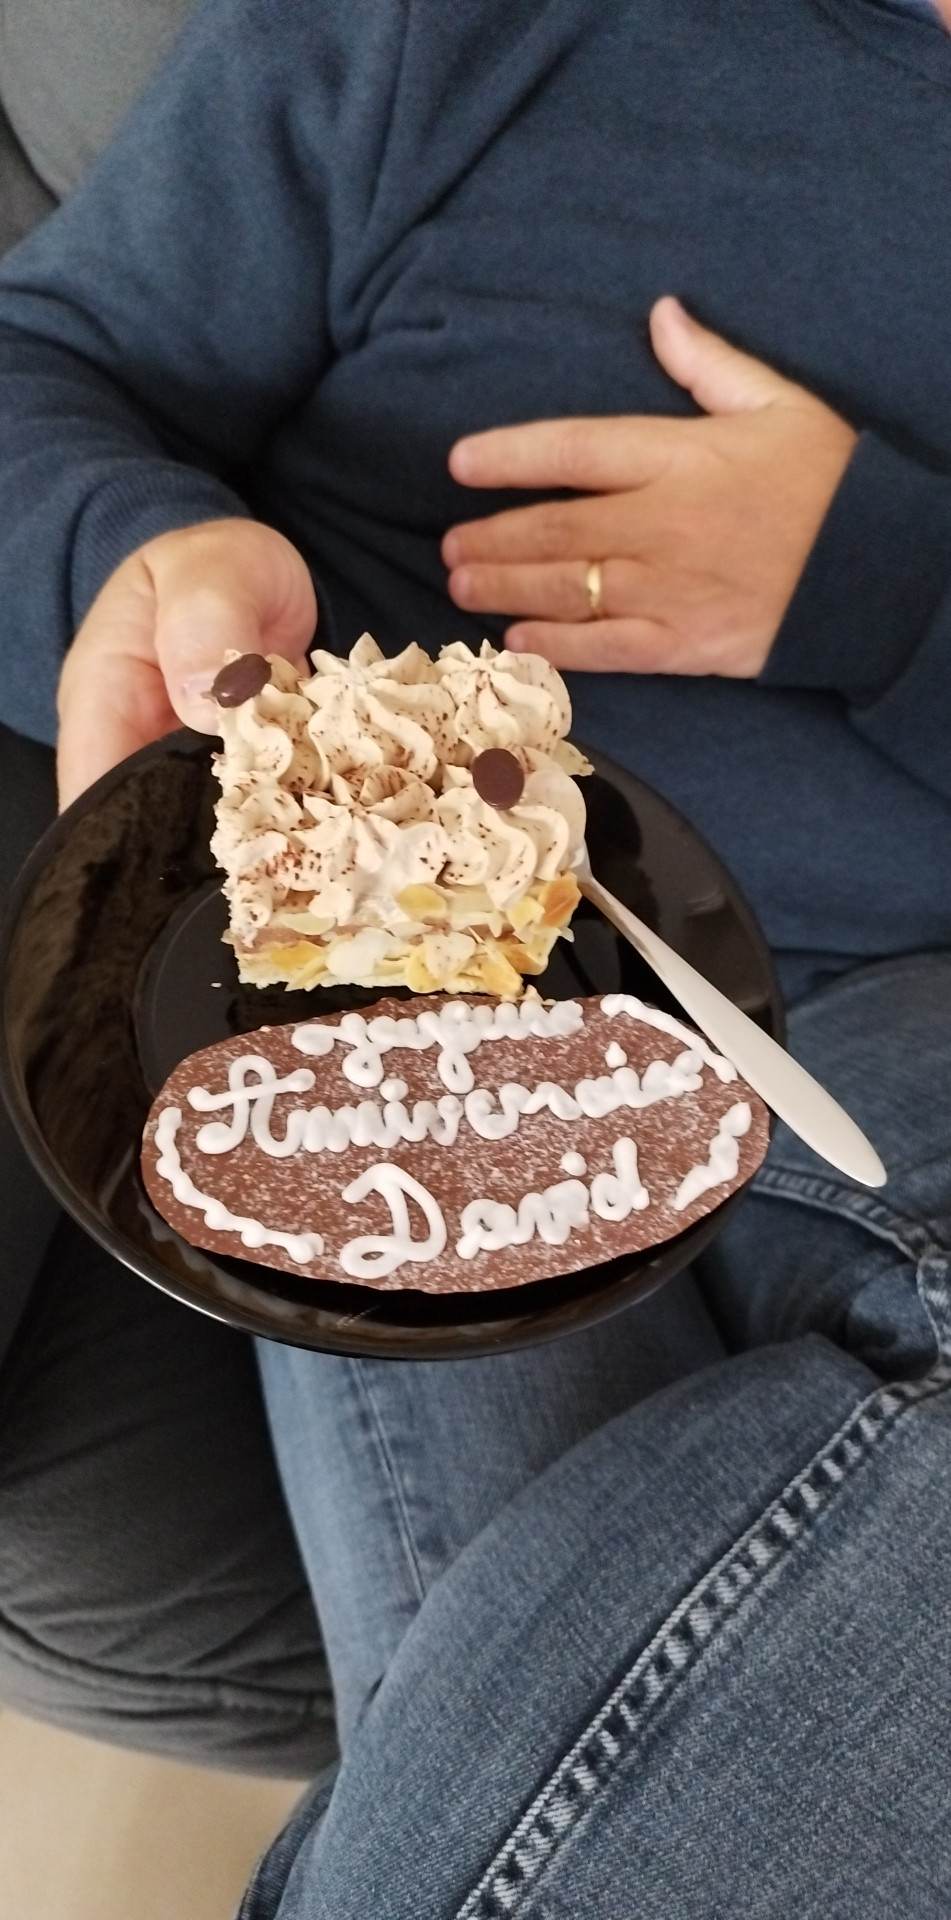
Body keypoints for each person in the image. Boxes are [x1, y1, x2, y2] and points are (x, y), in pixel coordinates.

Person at [0, 0, 949, 1909]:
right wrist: (137, 558)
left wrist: (886, 579)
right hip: (418, 928)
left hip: (906, 1009)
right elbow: (45, 370)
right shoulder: (449, 31)